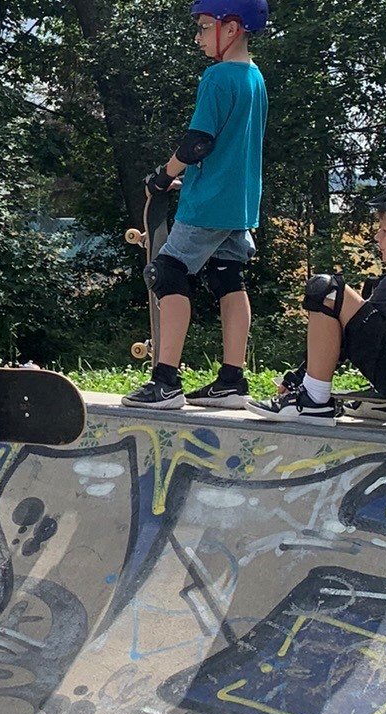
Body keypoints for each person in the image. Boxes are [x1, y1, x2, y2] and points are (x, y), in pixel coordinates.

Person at [123, 0, 270, 411]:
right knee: (228, 278)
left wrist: (164, 174)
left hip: (207, 204)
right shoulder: (255, 78)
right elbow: (229, 149)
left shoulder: (218, 76)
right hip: (239, 202)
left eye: (205, 26)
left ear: (232, 28)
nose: (198, 36)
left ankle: (165, 380)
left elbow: (198, 142)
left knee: (165, 271)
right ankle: (232, 380)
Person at [246, 183, 386, 424]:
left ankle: (312, 401)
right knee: (368, 294)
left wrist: (299, 377)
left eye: (385, 231)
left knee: (325, 290)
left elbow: (349, 335)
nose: (377, 237)